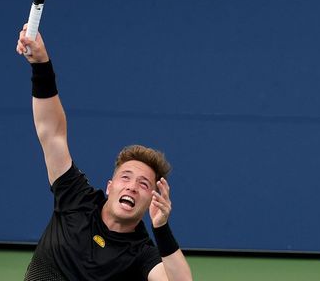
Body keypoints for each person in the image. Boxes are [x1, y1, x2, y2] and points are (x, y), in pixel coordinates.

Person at [16, 25, 193, 281]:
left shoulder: (141, 252)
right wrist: (41, 64)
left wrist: (162, 228)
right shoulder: (76, 199)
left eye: (143, 184)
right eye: (126, 177)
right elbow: (51, 133)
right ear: (109, 187)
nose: (132, 187)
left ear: (151, 202)